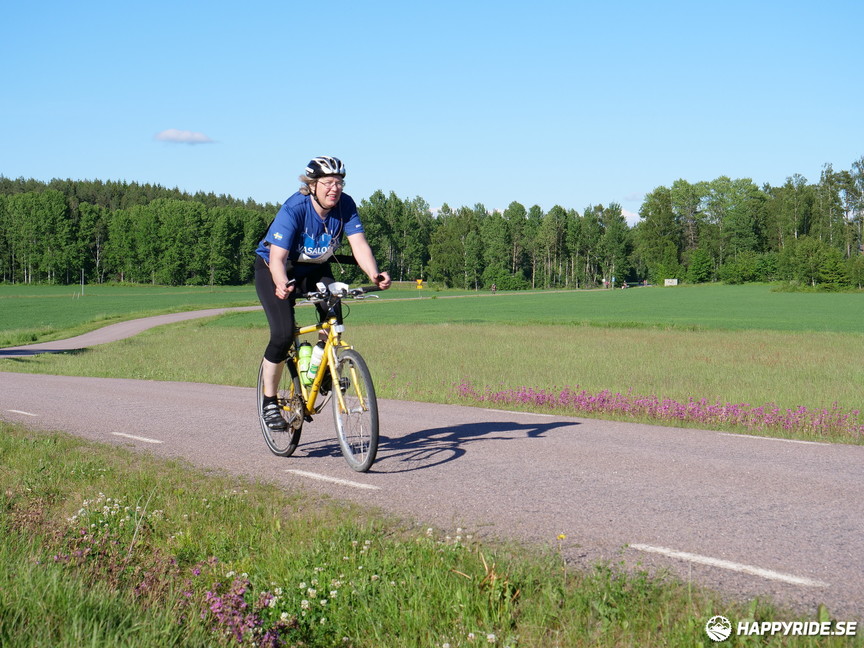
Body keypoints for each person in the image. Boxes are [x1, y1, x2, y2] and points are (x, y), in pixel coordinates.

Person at [254, 156, 391, 430]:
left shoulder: (346, 205)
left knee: (334, 319)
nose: (335, 189)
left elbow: (359, 246)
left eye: (339, 183)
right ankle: (269, 401)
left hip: (315, 268)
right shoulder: (294, 207)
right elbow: (277, 258)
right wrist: (281, 282)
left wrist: (373, 274)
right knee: (282, 336)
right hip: (276, 269)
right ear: (312, 185)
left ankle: (322, 365)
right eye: (328, 183)